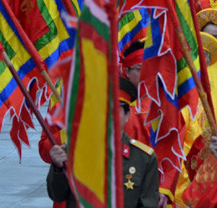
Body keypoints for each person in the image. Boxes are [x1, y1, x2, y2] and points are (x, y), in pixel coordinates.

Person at [47, 78, 159, 207]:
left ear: (127, 115)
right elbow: (57, 195)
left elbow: (147, 204)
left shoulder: (144, 158)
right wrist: (57, 167)